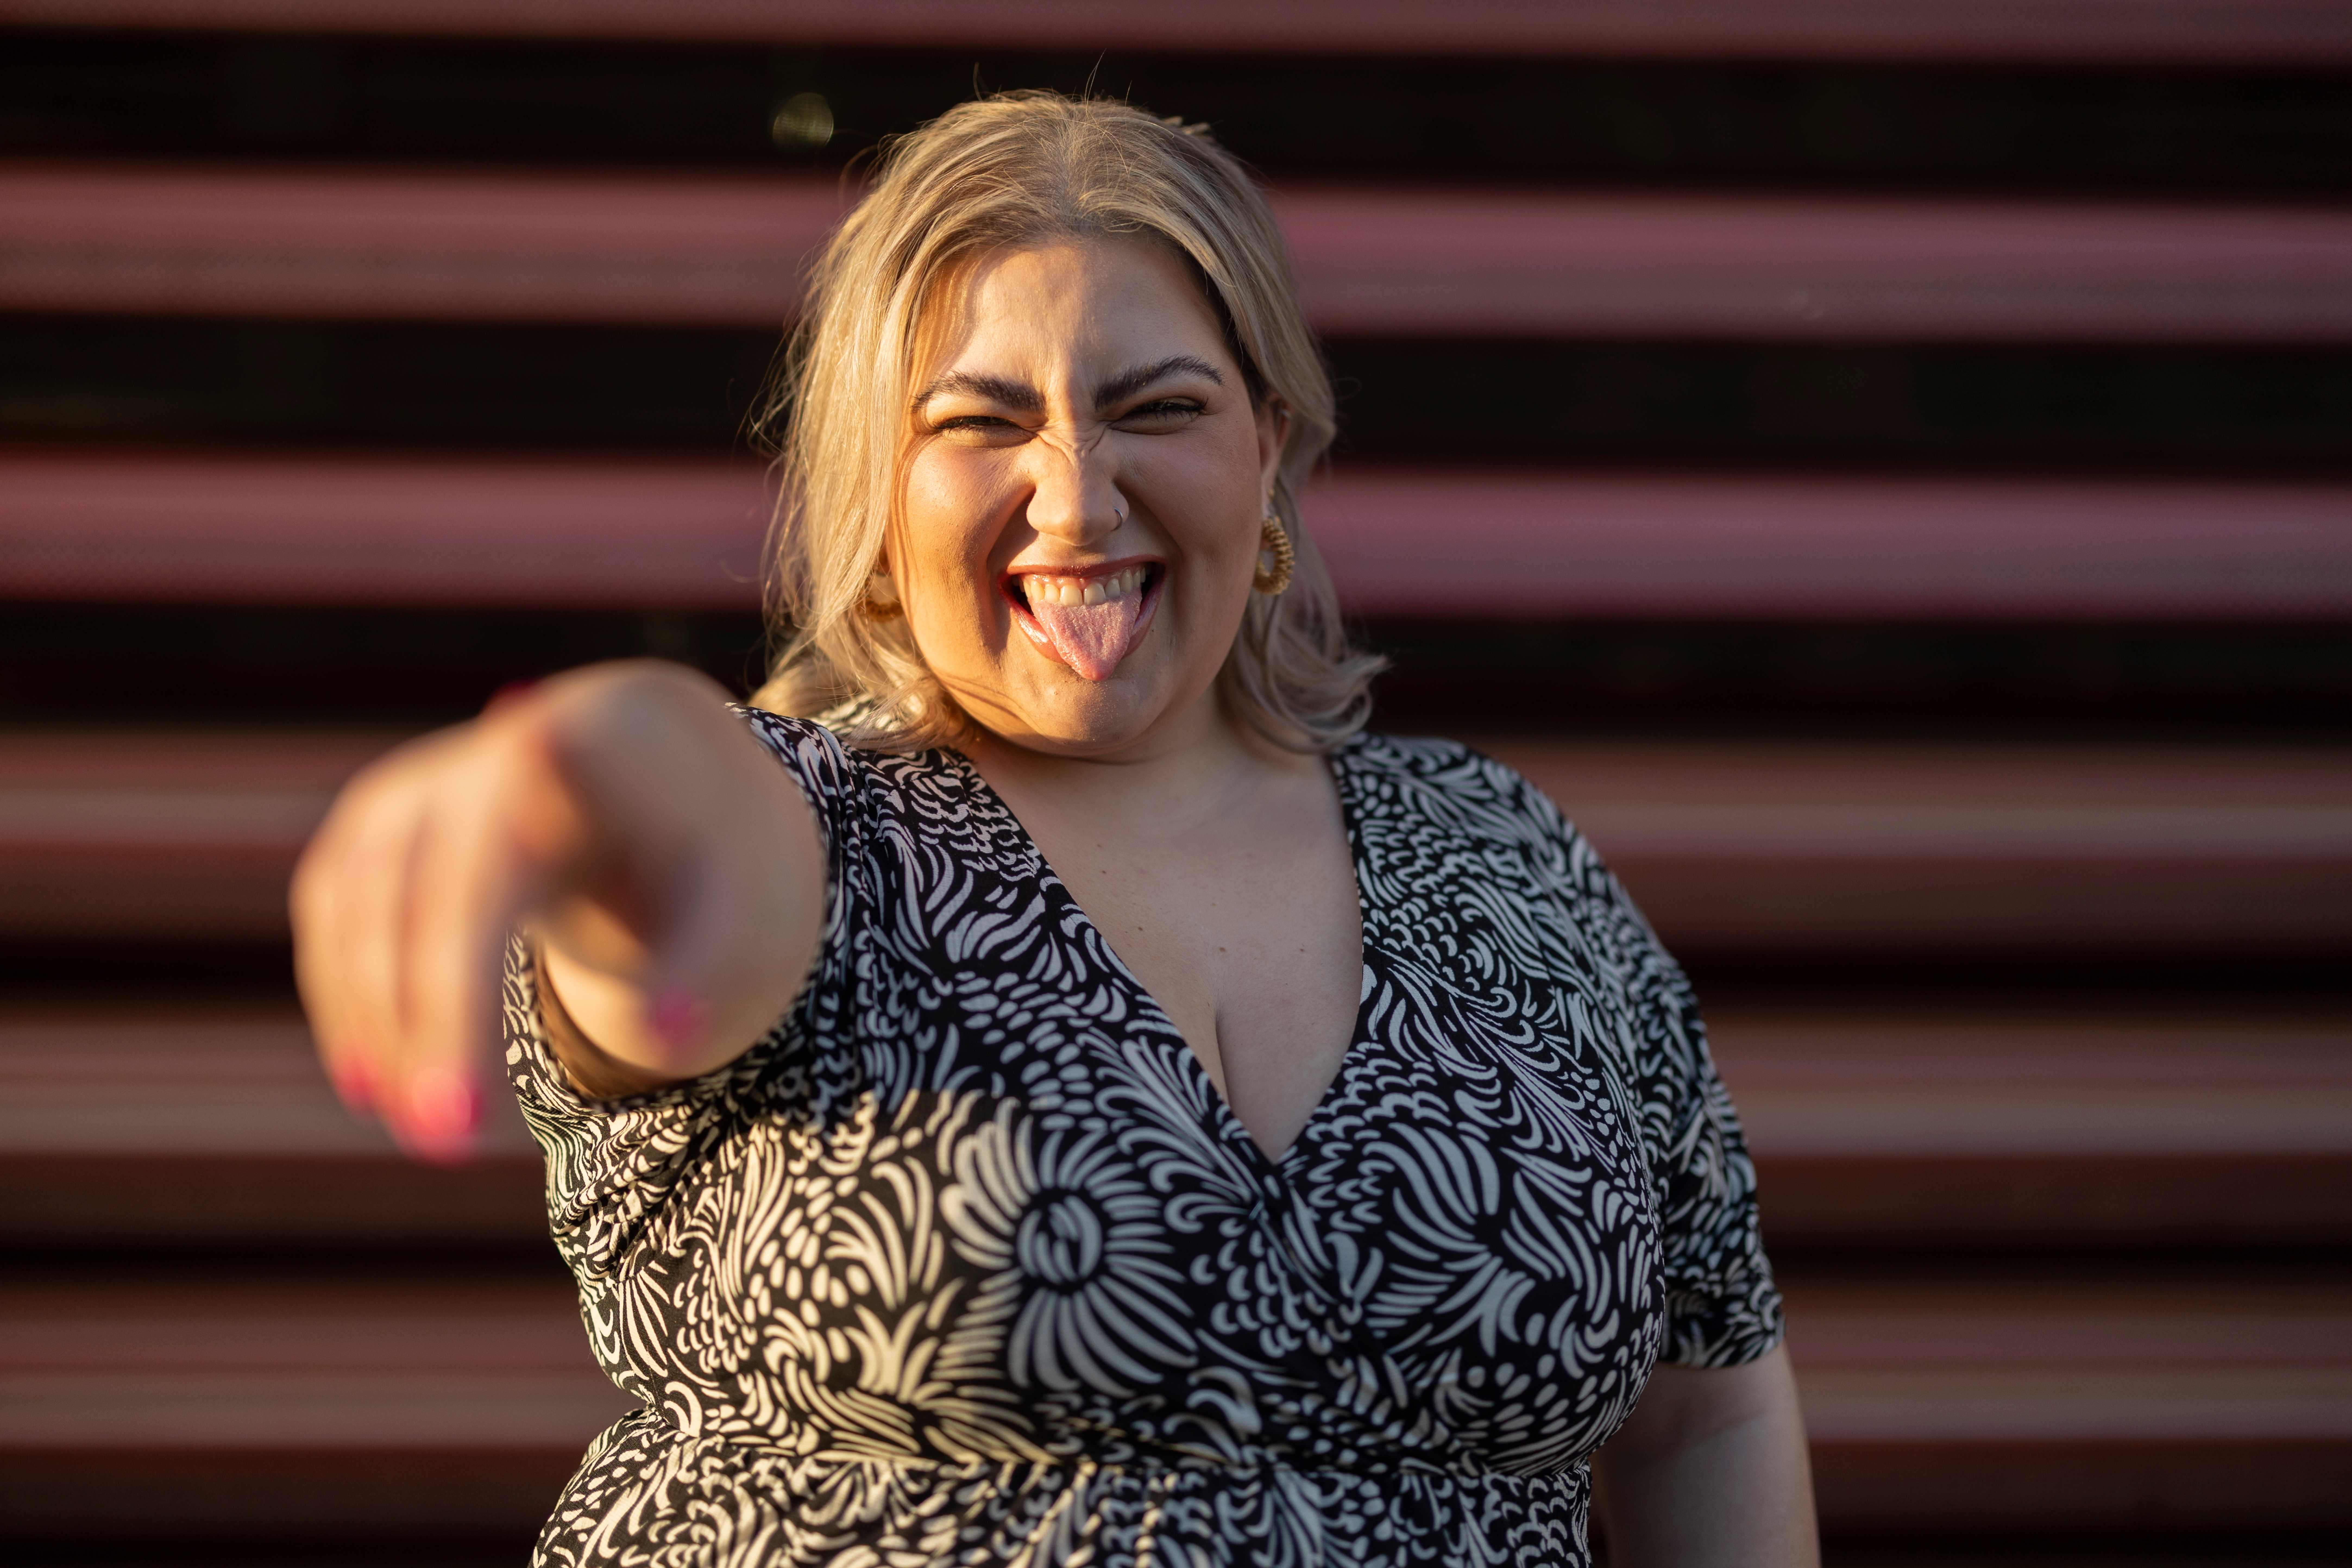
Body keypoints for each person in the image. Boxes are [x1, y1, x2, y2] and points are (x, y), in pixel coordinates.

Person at [292, 91, 1816, 1568]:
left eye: (1160, 408)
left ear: (1269, 451)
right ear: (874, 490)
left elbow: (1704, 1412)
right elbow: (678, 809)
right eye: (981, 422)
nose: (1078, 502)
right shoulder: (815, 839)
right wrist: (573, 754)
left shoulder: (1503, 854)